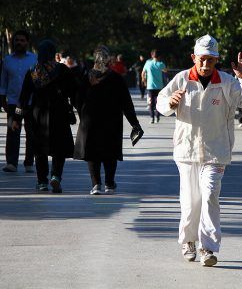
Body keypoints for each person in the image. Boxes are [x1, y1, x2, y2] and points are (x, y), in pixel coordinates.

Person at [156, 35, 242, 267]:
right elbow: (162, 102)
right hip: (186, 151)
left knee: (210, 195)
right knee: (190, 201)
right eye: (202, 59)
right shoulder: (182, 79)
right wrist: (170, 103)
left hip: (216, 151)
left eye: (210, 60)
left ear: (216, 60)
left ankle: (208, 248)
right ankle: (188, 241)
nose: (205, 65)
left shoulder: (227, 82)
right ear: (194, 57)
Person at [74, 46, 143, 195]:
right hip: (111, 121)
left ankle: (96, 184)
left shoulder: (87, 77)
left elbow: (77, 99)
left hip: (90, 121)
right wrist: (134, 123)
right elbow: (126, 103)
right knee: (110, 152)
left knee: (92, 152)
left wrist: (82, 114)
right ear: (108, 59)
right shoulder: (116, 78)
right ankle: (109, 184)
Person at [12, 40, 76, 193]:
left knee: (39, 149)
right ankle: (55, 176)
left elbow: (23, 97)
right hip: (59, 113)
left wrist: (16, 118)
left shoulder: (33, 71)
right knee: (59, 148)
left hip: (37, 115)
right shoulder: (62, 69)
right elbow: (73, 91)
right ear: (53, 53)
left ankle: (42, 181)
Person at [0, 30, 37, 173]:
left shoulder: (34, 59)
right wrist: (3, 100)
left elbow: (37, 81)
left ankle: (29, 162)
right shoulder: (7, 60)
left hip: (30, 103)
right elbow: (3, 82)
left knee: (31, 132)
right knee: (13, 131)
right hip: (14, 103)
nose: (19, 43)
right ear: (13, 42)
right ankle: (11, 163)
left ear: (27, 42)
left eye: (22, 40)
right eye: (17, 40)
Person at [142, 49, 167, 123]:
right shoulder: (161, 64)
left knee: (150, 102)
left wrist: (144, 81)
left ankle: (152, 118)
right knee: (158, 102)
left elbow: (143, 73)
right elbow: (165, 70)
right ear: (159, 56)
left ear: (151, 55)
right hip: (159, 86)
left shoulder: (147, 63)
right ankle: (157, 117)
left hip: (150, 86)